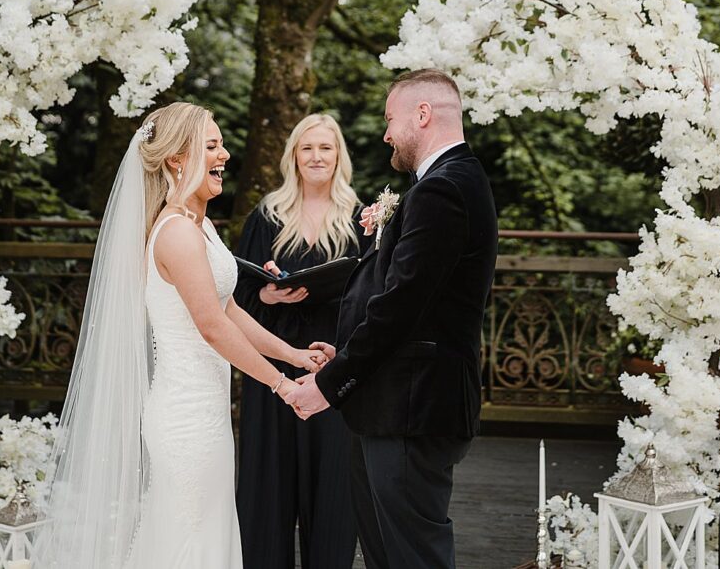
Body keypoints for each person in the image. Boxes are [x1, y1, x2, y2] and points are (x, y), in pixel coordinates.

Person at [34, 102, 328, 569]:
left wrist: (292, 354)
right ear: (176, 159)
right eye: (212, 146)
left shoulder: (202, 226)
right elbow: (211, 326)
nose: (225, 155)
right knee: (188, 541)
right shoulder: (176, 233)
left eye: (222, 145)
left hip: (207, 414)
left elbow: (229, 308)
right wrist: (282, 385)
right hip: (185, 420)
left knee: (202, 532)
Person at [286, 70, 497, 569]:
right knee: (387, 555)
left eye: (389, 119)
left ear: (422, 115)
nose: (385, 134)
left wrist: (330, 383)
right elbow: (391, 287)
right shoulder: (443, 185)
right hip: (393, 403)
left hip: (412, 407)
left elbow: (401, 306)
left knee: (412, 557)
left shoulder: (443, 190)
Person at [233, 113, 367, 569]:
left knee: (332, 488)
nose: (316, 156)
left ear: (338, 156)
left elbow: (377, 294)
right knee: (266, 486)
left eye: (325, 148)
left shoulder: (359, 217)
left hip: (334, 364)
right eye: (307, 148)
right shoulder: (267, 215)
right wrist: (268, 293)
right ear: (294, 155)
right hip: (271, 359)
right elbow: (234, 297)